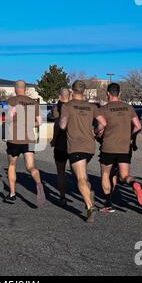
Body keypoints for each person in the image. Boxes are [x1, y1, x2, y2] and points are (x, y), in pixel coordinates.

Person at [59, 81, 107, 222]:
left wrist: (65, 122)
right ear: (84, 91)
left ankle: (90, 207)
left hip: (76, 145)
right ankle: (89, 193)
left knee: (80, 177)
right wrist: (96, 132)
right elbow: (103, 123)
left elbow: (62, 125)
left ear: (72, 90)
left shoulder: (67, 106)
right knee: (81, 175)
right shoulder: (92, 107)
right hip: (89, 146)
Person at [99, 83, 142, 213]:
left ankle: (109, 204)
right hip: (124, 147)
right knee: (124, 176)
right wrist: (129, 136)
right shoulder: (128, 108)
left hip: (108, 147)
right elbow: (138, 126)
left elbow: (99, 127)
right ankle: (134, 184)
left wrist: (97, 132)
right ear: (119, 93)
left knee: (105, 174)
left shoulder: (104, 109)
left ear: (108, 93)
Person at [4, 80, 45, 207]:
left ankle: (12, 194)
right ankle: (39, 184)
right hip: (29, 138)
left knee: (12, 165)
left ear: (15, 89)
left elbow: (8, 118)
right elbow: (40, 122)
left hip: (14, 139)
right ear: (26, 89)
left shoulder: (12, 101)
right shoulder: (33, 102)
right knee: (31, 166)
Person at [50, 88, 71, 205]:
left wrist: (54, 139)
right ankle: (86, 195)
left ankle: (62, 197)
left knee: (61, 172)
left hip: (61, 144)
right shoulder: (74, 106)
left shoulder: (58, 107)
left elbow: (57, 124)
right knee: (79, 173)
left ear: (59, 96)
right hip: (75, 143)